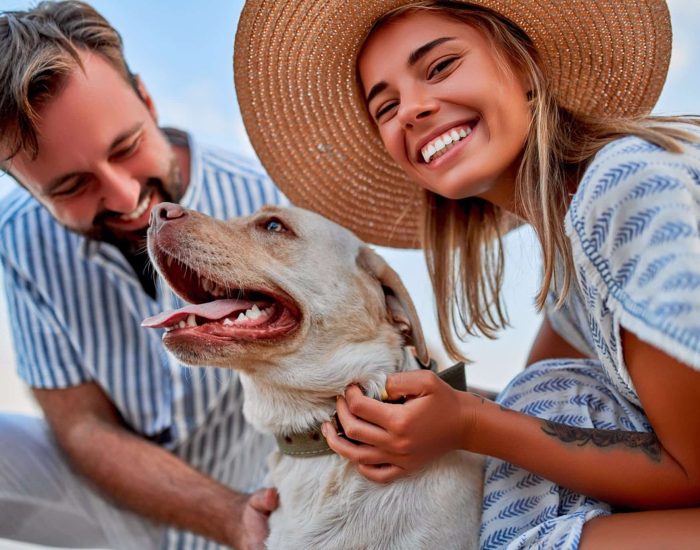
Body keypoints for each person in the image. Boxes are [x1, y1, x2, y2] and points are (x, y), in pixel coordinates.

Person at [233, 0, 700, 548]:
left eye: (439, 67)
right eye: (385, 107)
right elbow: (516, 413)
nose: (411, 109)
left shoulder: (623, 192)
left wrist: (468, 424)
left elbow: (690, 470)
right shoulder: (572, 266)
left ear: (525, 66)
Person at [0, 2, 286, 548]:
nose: (128, 198)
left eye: (126, 148)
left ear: (148, 102)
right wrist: (228, 517)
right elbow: (82, 426)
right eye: (70, 187)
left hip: (270, 494)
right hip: (114, 504)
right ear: (30, 192)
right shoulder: (18, 238)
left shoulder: (264, 205)